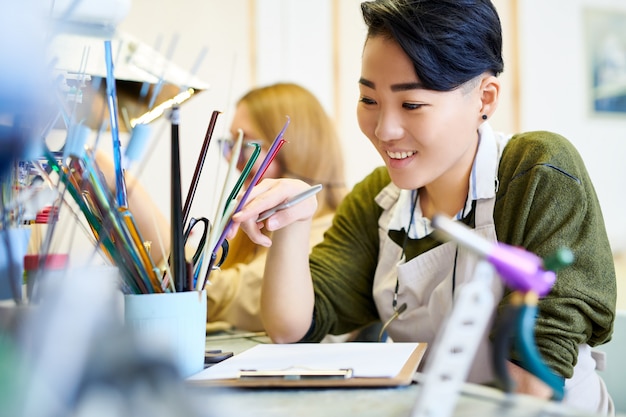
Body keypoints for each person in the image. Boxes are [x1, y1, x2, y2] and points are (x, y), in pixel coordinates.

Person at [226, 0, 617, 414]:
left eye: (411, 104)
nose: (384, 130)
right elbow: (291, 328)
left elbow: (531, 387)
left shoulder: (538, 171)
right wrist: (294, 220)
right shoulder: (379, 197)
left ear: (484, 97)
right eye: (368, 99)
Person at [206, 82, 348, 333]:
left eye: (246, 144)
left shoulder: (330, 233)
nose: (230, 157)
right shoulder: (252, 227)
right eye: (231, 143)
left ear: (295, 150)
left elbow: (237, 294)